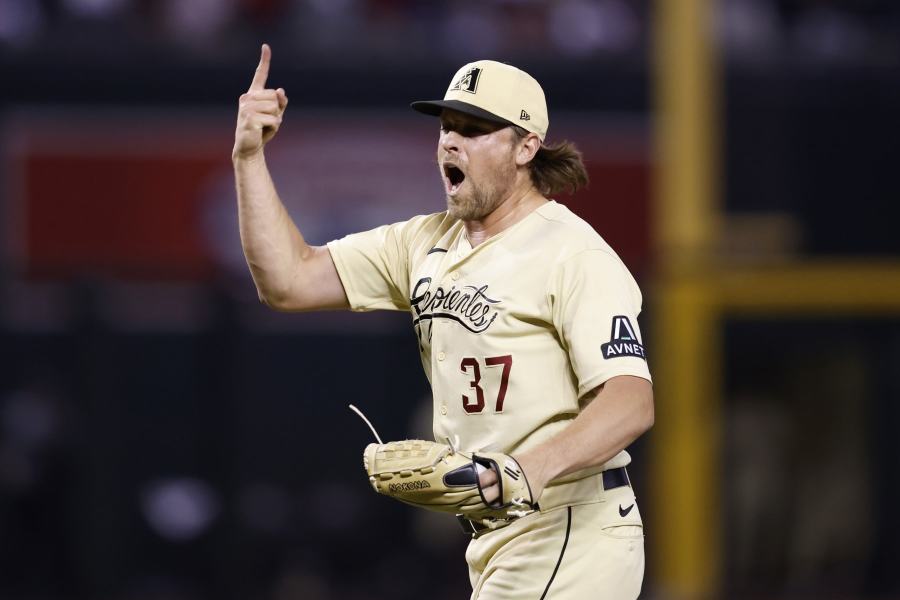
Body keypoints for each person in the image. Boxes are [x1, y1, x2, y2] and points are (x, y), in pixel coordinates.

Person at [233, 44, 655, 599]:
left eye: (476, 129)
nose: (451, 140)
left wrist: (522, 469)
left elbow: (631, 401)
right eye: (447, 126)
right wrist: (248, 158)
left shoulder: (573, 254)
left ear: (526, 146)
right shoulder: (423, 242)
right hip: (497, 537)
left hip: (570, 526)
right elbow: (288, 280)